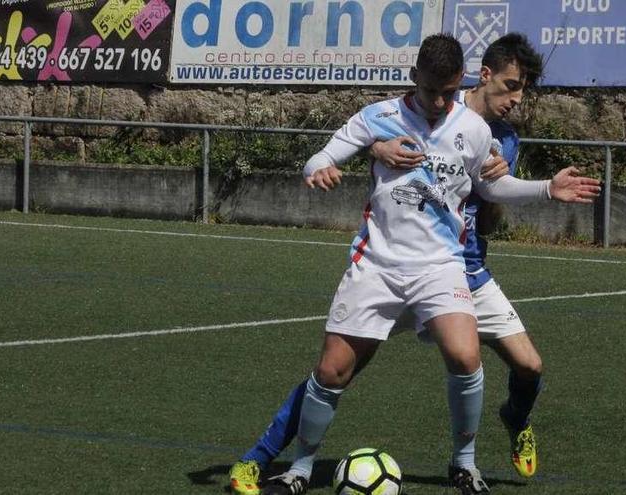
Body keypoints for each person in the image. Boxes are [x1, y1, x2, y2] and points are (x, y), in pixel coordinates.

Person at [232, 33, 597, 495]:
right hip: (379, 265)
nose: (442, 102)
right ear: (419, 79)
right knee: (332, 372)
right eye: (432, 91)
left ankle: (469, 460)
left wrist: (545, 188)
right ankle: (289, 466)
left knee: (493, 361)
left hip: (448, 267)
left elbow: (489, 195)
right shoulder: (382, 116)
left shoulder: (486, 133)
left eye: (449, 93)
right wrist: (336, 162)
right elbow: (328, 153)